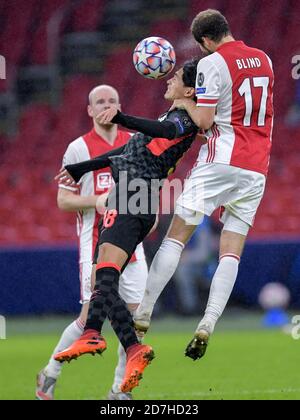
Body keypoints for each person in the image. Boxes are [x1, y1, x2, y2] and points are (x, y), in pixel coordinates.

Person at [133, 9, 274, 361]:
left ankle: (143, 313)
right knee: (231, 249)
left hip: (221, 158)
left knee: (176, 237)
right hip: (256, 167)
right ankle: (208, 323)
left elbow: (205, 119)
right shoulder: (266, 59)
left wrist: (183, 100)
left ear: (205, 42)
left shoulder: (213, 63)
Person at [54, 59, 200, 393]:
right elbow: (130, 150)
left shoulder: (182, 119)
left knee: (103, 275)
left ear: (189, 90)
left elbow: (162, 133)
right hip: (133, 193)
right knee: (103, 277)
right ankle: (131, 348)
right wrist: (83, 168)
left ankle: (93, 335)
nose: (168, 80)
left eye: (175, 77)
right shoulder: (168, 118)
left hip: (135, 193)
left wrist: (120, 117)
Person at [36, 85, 148, 401]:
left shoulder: (134, 143)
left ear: (120, 106)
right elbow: (62, 199)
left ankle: (119, 390)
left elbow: (144, 191)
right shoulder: (77, 149)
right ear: (89, 110)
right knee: (88, 317)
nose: (107, 106)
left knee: (138, 321)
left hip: (132, 246)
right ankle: (49, 374)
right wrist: (96, 200)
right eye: (100, 101)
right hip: (96, 244)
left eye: (112, 100)